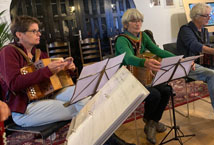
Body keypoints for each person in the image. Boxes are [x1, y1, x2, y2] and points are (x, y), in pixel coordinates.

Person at [0, 16, 134, 145]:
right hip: (24, 109)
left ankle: (104, 141)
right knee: (83, 110)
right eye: (34, 31)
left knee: (85, 98)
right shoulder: (8, 52)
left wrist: (69, 69)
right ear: (19, 34)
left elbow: (54, 80)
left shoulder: (39, 54)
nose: (39, 34)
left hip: (47, 96)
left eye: (38, 30)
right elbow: (14, 83)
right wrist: (47, 71)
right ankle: (110, 142)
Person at [115, 8, 174, 144]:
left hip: (142, 77)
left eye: (140, 20)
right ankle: (150, 122)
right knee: (154, 94)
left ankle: (152, 122)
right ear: (126, 24)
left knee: (166, 90)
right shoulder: (121, 40)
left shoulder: (143, 36)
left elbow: (157, 50)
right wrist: (145, 62)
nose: (138, 23)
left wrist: (178, 58)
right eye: (134, 21)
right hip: (127, 79)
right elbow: (129, 58)